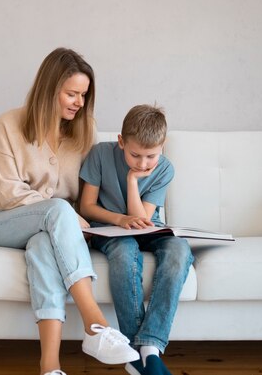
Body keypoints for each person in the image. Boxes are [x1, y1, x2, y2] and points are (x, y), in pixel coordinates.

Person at [0, 48, 139, 375]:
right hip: (5, 223)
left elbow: (85, 192)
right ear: (49, 89)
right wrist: (63, 213)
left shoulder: (84, 130)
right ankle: (94, 323)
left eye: (84, 95)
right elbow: (9, 193)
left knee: (42, 247)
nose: (79, 103)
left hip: (50, 230)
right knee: (55, 211)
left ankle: (49, 367)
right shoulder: (9, 124)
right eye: (71, 94)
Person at [79, 104, 194, 375]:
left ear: (162, 147)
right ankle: (133, 350)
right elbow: (86, 206)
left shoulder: (164, 169)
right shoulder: (100, 154)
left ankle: (149, 348)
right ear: (121, 142)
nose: (143, 164)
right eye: (135, 155)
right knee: (124, 249)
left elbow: (142, 219)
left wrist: (133, 180)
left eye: (150, 156)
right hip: (108, 229)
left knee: (179, 249)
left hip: (147, 227)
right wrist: (119, 220)